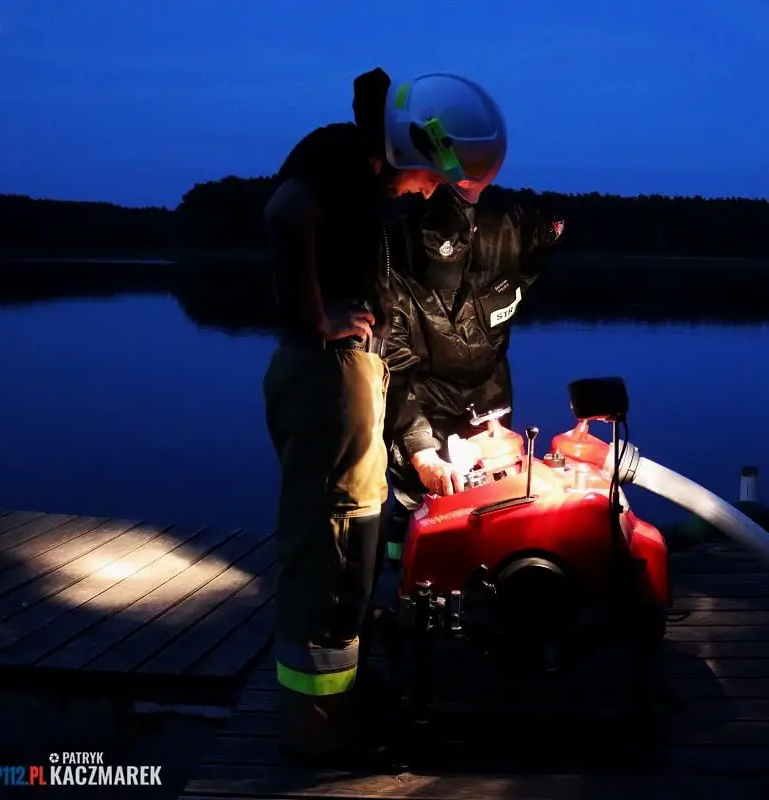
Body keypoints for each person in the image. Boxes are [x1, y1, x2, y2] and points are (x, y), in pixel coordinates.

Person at [260, 67, 507, 761]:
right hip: (328, 376)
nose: (429, 190)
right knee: (332, 546)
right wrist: (317, 319)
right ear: (410, 148)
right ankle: (316, 728)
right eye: (431, 175)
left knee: (358, 538)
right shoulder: (340, 156)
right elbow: (285, 215)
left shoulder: (364, 173)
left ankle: (342, 704)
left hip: (349, 376)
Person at [380, 188, 565, 564]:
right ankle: (401, 563)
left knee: (496, 488)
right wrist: (422, 453)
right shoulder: (392, 272)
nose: (445, 284)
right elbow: (396, 371)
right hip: (424, 392)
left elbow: (553, 221)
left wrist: (544, 239)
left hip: (489, 391)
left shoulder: (506, 233)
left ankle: (489, 564)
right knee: (419, 491)